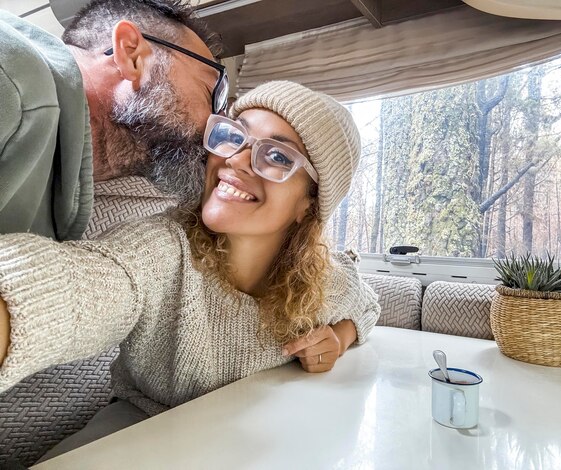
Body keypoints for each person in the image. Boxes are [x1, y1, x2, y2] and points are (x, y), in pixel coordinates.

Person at [0, 81, 381, 459]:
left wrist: (340, 336)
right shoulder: (163, 248)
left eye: (278, 156)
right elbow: (78, 285)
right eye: (235, 136)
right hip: (139, 432)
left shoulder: (320, 278)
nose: (235, 160)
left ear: (308, 207)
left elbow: (365, 302)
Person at [0, 0, 224, 240]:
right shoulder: (13, 79)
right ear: (132, 55)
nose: (217, 128)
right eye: (211, 93)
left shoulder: (67, 178)